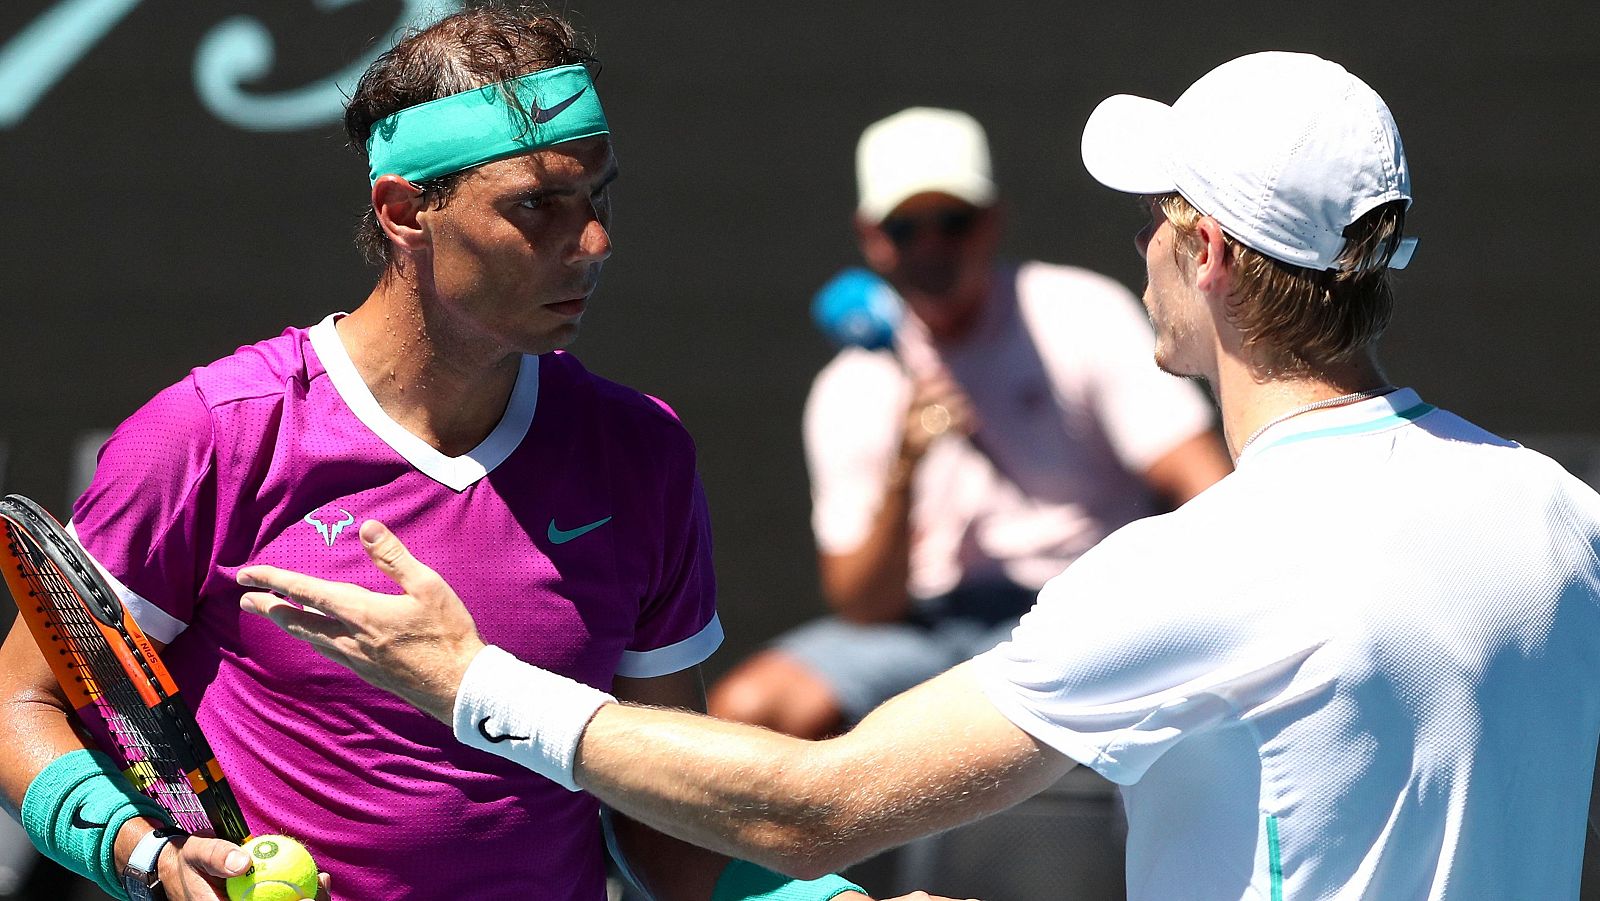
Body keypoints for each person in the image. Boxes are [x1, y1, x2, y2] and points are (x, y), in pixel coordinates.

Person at [238, 51, 1600, 899]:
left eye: (1158, 220)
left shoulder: (1204, 569)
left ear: (1215, 263)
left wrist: (466, 680)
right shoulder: (1561, 516)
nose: (1140, 247)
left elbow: (811, 810)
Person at [0, 7, 894, 901]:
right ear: (404, 211)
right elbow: (19, 703)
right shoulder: (215, 432)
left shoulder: (641, 452)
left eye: (598, 198)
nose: (593, 245)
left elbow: (659, 815)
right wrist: (145, 856)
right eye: (537, 205)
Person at [708, 107, 1231, 740]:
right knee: (749, 715)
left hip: (1083, 606)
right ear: (870, 236)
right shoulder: (851, 385)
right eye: (906, 229)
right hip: (927, 632)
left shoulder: (1076, 311)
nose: (931, 248)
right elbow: (864, 607)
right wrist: (906, 465)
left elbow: (1203, 479)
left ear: (992, 223)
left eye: (953, 223)